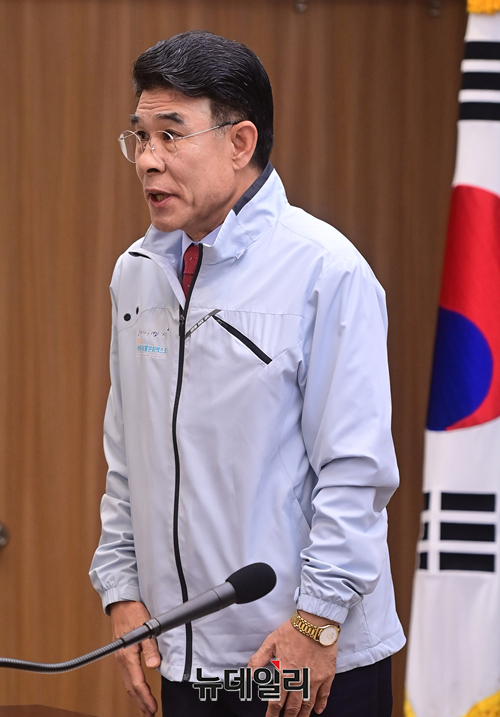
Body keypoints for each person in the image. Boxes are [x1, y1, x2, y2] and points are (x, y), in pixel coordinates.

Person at [89, 30, 405, 717]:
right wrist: (122, 590)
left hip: (295, 653)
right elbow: (128, 457)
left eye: (171, 135)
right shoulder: (136, 273)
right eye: (139, 136)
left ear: (240, 142)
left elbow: (355, 471)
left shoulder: (326, 271)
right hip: (181, 651)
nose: (147, 159)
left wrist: (316, 622)